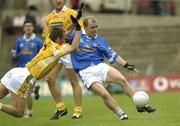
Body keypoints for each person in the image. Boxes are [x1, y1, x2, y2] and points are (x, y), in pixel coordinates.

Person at [69, 16, 156, 120]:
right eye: (92, 27)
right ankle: (122, 114)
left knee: (122, 80)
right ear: (85, 27)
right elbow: (62, 37)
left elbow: (113, 55)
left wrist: (126, 65)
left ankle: (140, 105)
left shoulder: (100, 40)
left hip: (100, 66)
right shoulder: (76, 34)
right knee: (104, 93)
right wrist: (72, 25)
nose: (95, 29)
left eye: (96, 27)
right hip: (85, 72)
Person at [0, 16, 81, 118]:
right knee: (18, 112)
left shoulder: (48, 40)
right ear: (58, 39)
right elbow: (73, 47)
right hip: (25, 78)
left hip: (16, 71)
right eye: (64, 38)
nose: (66, 38)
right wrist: (78, 29)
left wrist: (74, 23)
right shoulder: (56, 51)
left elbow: (65, 31)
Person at [42, 0, 84, 119]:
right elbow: (46, 36)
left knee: (73, 81)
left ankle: (78, 111)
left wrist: (73, 40)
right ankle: (61, 108)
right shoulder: (48, 18)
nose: (58, 1)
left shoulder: (72, 13)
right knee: (49, 79)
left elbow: (80, 29)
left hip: (68, 50)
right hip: (56, 51)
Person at [11, 20, 43, 118]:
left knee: (26, 91)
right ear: (23, 28)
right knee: (20, 91)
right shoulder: (19, 41)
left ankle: (29, 112)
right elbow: (13, 53)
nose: (28, 28)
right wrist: (15, 57)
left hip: (32, 71)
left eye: (30, 26)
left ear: (33, 28)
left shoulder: (38, 42)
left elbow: (42, 56)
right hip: (20, 70)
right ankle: (34, 92)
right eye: (26, 26)